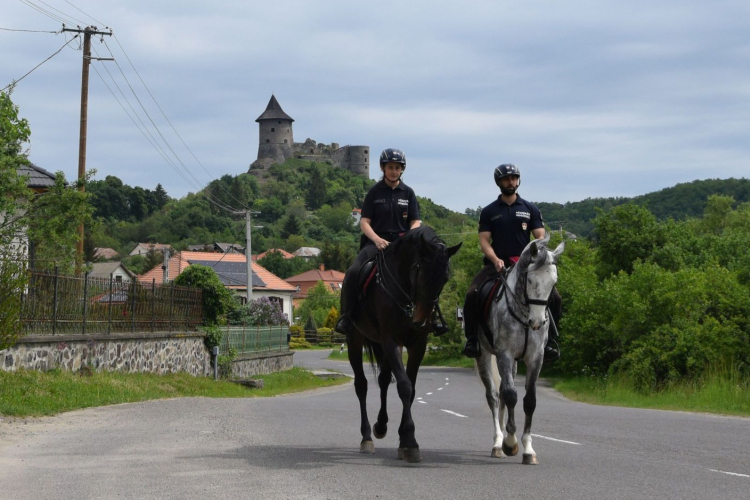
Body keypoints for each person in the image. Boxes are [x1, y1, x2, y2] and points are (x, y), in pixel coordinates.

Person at [462, 163, 562, 360]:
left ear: (518, 180)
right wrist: (495, 259)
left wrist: (535, 255)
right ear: (499, 182)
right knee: (472, 293)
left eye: (514, 178)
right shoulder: (489, 211)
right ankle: (472, 339)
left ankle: (550, 342)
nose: (511, 182)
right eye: (507, 179)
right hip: (496, 265)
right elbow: (484, 241)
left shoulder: (530, 208)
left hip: (525, 267)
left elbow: (540, 235)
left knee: (556, 298)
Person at [334, 148, 421, 335]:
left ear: (401, 170)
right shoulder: (374, 192)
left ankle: (431, 316)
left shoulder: (408, 193)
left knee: (424, 271)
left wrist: (408, 237)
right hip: (375, 243)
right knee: (354, 271)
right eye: (390, 167)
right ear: (383, 168)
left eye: (397, 167)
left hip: (401, 245)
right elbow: (364, 222)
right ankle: (347, 317)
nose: (394, 171)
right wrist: (376, 239)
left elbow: (416, 221)